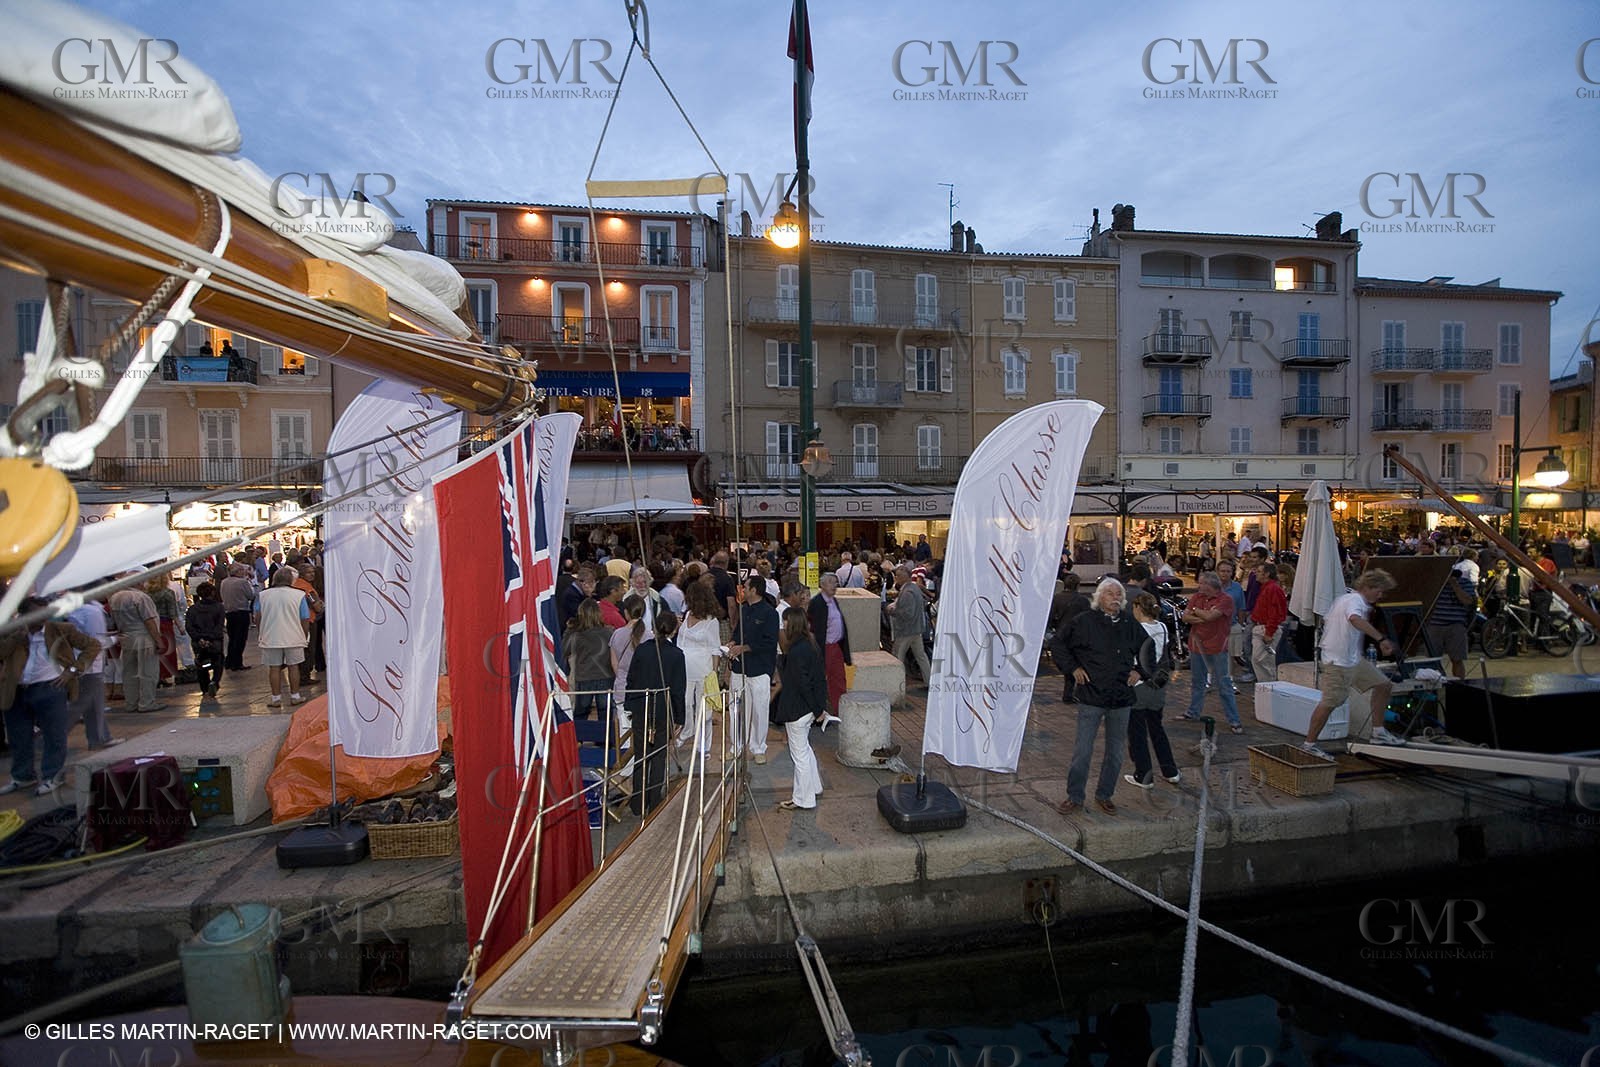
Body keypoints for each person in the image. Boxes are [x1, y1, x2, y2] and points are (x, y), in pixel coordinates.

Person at [1053, 578, 1144, 816]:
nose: (1115, 597)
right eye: (1110, 593)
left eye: (1118, 594)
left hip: (1121, 698)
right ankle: (1075, 796)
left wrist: (1140, 671)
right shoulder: (1084, 622)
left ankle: (1105, 794)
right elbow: (1058, 644)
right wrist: (1073, 668)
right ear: (1099, 597)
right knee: (1083, 751)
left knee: (1115, 753)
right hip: (1092, 696)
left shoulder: (1129, 623)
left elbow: (1148, 648)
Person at [0, 598, 101, 796]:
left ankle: (52, 775)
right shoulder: (13, 631)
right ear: (24, 615)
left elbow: (93, 646)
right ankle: (22, 776)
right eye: (38, 613)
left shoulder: (60, 629)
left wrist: (72, 670)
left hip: (50, 687)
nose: (43, 617)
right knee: (18, 736)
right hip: (17, 688)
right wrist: (16, 637)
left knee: (54, 735)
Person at [1304, 569, 1399, 758]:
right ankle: (1309, 744)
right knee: (1331, 702)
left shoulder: (1346, 600)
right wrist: (1381, 639)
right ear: (1366, 587)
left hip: (1352, 659)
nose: (1380, 595)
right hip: (1337, 661)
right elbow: (1354, 619)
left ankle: (1378, 732)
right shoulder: (1354, 601)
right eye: (1378, 591)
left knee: (1383, 685)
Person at [624, 612, 686, 816]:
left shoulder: (642, 650)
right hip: (662, 710)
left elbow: (631, 679)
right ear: (674, 630)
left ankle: (638, 801)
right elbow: (678, 690)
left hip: (641, 707)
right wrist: (680, 718)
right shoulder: (676, 654)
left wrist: (630, 705)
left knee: (641, 755)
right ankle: (654, 801)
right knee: (659, 755)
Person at [1123, 592, 1180, 790]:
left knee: (1137, 733)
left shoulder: (1135, 629)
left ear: (1138, 607)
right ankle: (1170, 771)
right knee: (1157, 728)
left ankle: (1144, 775)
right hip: (1158, 685)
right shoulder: (1162, 627)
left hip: (1139, 686)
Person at [771, 610, 826, 811]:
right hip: (808, 709)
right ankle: (815, 787)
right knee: (806, 749)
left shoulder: (796, 651)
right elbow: (817, 679)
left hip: (797, 709)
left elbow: (802, 684)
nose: (783, 626)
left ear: (790, 624)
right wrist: (818, 708)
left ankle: (803, 799)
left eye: (785, 622)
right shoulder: (811, 644)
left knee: (799, 755)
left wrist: (817, 709)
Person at [1178, 572, 1244, 734]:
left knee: (1224, 684)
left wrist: (1196, 612)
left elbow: (1209, 616)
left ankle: (1234, 720)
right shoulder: (1197, 598)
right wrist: (1202, 615)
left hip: (1217, 647)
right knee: (1197, 681)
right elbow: (1185, 617)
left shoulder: (1225, 600)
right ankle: (1193, 712)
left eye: (1201, 583)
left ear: (1209, 585)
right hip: (1196, 645)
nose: (1198, 586)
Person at [726, 575, 779, 764]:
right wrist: (733, 642)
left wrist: (745, 648)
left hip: (759, 668)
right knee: (737, 709)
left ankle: (758, 747)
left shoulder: (770, 613)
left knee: (759, 709)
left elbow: (769, 641)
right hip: (739, 668)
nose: (743, 590)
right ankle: (736, 746)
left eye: (745, 587)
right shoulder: (744, 610)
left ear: (754, 590)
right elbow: (737, 632)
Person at [674, 581, 724, 760]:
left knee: (705, 709)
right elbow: (680, 642)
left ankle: (704, 744)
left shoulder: (712, 621)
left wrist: (714, 673)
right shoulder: (686, 615)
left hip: (703, 670)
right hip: (684, 669)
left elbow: (715, 648)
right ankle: (687, 731)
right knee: (685, 704)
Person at [66, 588, 118, 749]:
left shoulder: (77, 610)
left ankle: (100, 737)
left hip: (84, 662)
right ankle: (56, 734)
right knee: (81, 704)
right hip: (89, 664)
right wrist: (115, 638)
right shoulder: (91, 611)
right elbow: (96, 641)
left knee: (94, 703)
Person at [254, 568, 310, 707]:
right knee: (294, 666)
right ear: (291, 580)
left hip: (271, 636)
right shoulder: (299, 595)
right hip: (294, 636)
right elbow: (304, 618)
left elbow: (257, 616)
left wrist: (261, 632)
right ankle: (295, 695)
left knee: (274, 668)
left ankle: (276, 698)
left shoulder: (263, 595)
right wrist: (304, 635)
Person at [109, 576, 165, 713]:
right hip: (144, 638)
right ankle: (147, 702)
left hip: (126, 638)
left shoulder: (114, 598)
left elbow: (113, 621)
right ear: (139, 582)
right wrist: (159, 640)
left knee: (129, 673)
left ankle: (131, 703)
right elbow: (149, 621)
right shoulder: (140, 597)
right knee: (148, 672)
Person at [807, 573, 852, 723]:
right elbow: (813, 628)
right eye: (831, 582)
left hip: (836, 647)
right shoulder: (817, 603)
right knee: (819, 680)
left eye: (836, 582)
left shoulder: (833, 601)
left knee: (839, 679)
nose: (835, 585)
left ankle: (840, 710)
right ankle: (818, 714)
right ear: (823, 585)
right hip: (824, 648)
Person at [563, 598, 615, 721]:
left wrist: (569, 629)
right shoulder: (608, 632)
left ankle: (579, 737)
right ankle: (604, 739)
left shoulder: (576, 634)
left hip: (584, 677)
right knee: (605, 714)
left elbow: (565, 650)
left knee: (581, 712)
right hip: (605, 676)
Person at [1426, 560, 1477, 680]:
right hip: (1435, 624)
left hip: (1456, 625)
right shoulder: (1434, 583)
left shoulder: (1465, 583)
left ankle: (1459, 684)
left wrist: (1454, 585)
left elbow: (1468, 601)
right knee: (1432, 660)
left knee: (1457, 659)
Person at [886, 564, 933, 691]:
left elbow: (907, 613)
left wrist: (892, 611)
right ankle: (929, 681)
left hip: (906, 630)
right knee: (921, 656)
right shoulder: (915, 588)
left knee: (897, 656)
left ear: (902, 577)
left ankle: (897, 685)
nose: (896, 579)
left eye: (897, 577)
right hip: (916, 629)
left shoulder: (907, 592)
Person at [609, 597, 648, 724]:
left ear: (626, 612)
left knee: (623, 727)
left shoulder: (617, 634)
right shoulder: (650, 636)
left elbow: (614, 664)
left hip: (621, 687)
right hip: (643, 689)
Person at [185, 581, 227, 699]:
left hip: (198, 641)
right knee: (218, 662)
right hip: (215, 640)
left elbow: (189, 627)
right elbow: (219, 625)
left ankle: (204, 688)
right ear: (212, 593)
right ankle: (214, 682)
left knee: (200, 664)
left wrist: (199, 638)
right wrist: (210, 638)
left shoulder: (193, 609)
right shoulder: (219, 607)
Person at [1250, 561, 1288, 683]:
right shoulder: (1267, 588)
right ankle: (1265, 688)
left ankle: (1268, 688)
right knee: (1259, 660)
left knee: (1263, 661)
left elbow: (1275, 612)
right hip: (1262, 626)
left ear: (1266, 574)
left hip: (1266, 628)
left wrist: (1269, 632)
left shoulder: (1272, 589)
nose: (1257, 574)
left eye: (1260, 571)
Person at [146, 574, 183, 686]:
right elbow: (173, 613)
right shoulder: (168, 593)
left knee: (154, 650)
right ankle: (165, 675)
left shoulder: (146, 594)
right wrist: (180, 627)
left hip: (151, 624)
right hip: (165, 624)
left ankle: (155, 675)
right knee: (168, 650)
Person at [292, 564, 325, 686]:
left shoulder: (295, 584)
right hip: (309, 621)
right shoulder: (306, 588)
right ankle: (304, 675)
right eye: (309, 572)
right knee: (309, 648)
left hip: (295, 620)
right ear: (302, 574)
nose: (312, 575)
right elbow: (316, 606)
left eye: (313, 572)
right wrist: (321, 605)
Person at [220, 564, 256, 672]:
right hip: (241, 611)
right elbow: (251, 595)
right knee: (240, 639)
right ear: (238, 571)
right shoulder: (242, 582)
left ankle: (229, 661)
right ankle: (237, 663)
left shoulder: (224, 582)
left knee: (232, 638)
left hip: (229, 612)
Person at [558, 565, 597, 632]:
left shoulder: (577, 592)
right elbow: (582, 614)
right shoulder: (571, 595)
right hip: (570, 630)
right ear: (582, 582)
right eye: (591, 582)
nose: (593, 585)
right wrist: (589, 595)